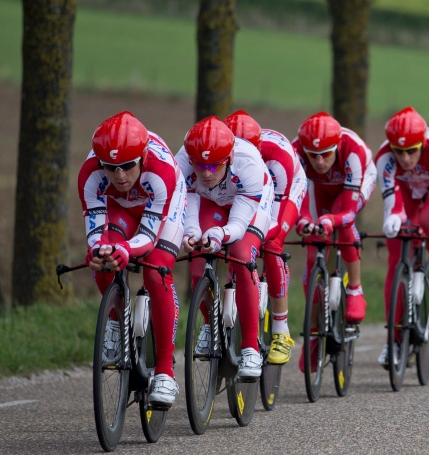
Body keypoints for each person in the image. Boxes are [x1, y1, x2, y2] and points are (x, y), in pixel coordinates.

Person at [77, 111, 187, 408]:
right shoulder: (90, 174)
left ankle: (165, 370)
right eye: (111, 168)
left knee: (156, 272)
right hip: (121, 208)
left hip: (163, 206)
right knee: (104, 259)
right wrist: (99, 250)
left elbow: (148, 239)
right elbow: (95, 230)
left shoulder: (160, 170)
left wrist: (125, 249)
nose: (120, 176)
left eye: (127, 166)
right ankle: (115, 322)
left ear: (142, 157)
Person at [177, 116, 275, 382]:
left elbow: (239, 224)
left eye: (214, 166)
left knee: (242, 257)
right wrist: (191, 234)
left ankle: (251, 347)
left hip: (248, 205)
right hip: (210, 202)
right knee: (198, 261)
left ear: (229, 158)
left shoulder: (249, 164)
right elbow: (189, 203)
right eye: (200, 165)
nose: (206, 173)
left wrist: (221, 234)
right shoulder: (182, 162)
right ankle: (210, 326)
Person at [374, 106, 429, 366]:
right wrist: (393, 219)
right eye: (399, 152)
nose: (406, 158)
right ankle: (394, 341)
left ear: (422, 144)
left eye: (412, 151)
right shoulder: (384, 157)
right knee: (395, 253)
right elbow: (393, 205)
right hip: (407, 193)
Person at [293, 112, 376, 369]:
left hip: (351, 190)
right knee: (312, 247)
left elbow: (349, 210)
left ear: (337, 147)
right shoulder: (295, 151)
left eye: (326, 154)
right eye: (313, 155)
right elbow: (299, 199)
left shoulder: (353, 150)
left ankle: (355, 290)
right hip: (319, 190)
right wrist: (304, 221)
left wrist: (331, 220)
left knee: (345, 223)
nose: (319, 161)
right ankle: (315, 331)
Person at [224, 110, 307, 366]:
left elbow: (272, 218)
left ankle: (281, 330)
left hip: (286, 192)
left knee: (271, 244)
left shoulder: (278, 158)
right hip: (244, 191)